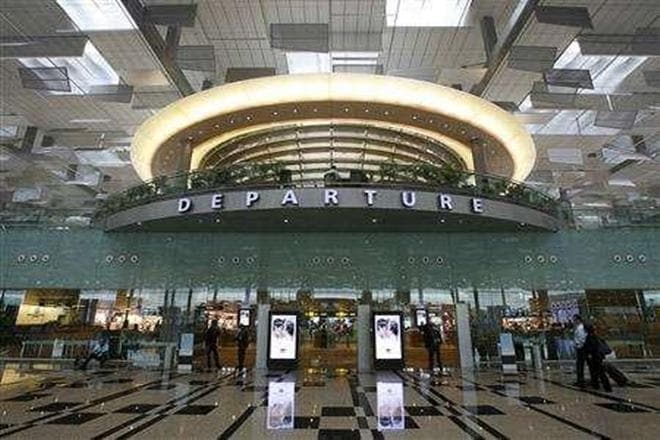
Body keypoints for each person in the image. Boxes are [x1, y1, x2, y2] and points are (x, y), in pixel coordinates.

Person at [583, 323, 612, 392]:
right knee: (598, 372)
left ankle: (602, 386)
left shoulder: (590, 337)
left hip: (594, 357)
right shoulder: (595, 336)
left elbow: (591, 348)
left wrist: (589, 354)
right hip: (597, 357)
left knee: (597, 372)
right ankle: (600, 386)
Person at [572, 314, 587, 387]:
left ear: (578, 320)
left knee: (580, 365)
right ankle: (580, 380)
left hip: (581, 349)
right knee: (579, 365)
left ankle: (581, 381)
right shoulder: (578, 328)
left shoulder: (580, 328)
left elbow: (582, 339)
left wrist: (578, 346)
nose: (574, 321)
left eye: (575, 320)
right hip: (580, 348)